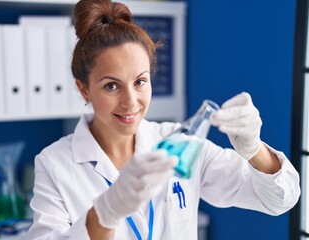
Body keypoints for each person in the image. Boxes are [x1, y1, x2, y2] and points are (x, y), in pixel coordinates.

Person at [28, 0, 301, 239]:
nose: (131, 102)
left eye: (140, 82)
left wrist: (255, 149)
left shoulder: (180, 144)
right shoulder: (54, 165)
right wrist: (105, 212)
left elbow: (280, 200)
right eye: (111, 86)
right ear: (84, 89)